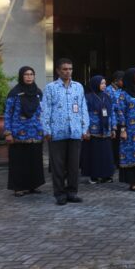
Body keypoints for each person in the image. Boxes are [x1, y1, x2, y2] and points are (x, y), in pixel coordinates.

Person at [43, 58, 89, 205]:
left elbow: (83, 109)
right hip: (57, 132)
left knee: (74, 166)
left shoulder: (78, 87)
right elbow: (45, 110)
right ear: (58, 71)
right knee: (58, 166)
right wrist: (47, 129)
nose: (68, 71)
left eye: (70, 69)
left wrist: (84, 128)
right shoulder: (50, 88)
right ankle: (60, 194)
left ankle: (72, 192)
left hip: (75, 131)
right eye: (64, 69)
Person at [4, 66, 45, 197]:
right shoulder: (14, 93)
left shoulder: (38, 92)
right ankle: (18, 187)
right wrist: (8, 132)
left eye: (31, 74)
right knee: (19, 162)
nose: (29, 77)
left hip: (35, 132)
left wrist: (44, 129)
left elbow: (42, 112)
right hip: (18, 133)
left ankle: (33, 185)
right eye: (26, 74)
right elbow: (8, 113)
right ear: (21, 76)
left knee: (34, 160)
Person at [80, 76, 116, 184]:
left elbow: (112, 113)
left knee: (106, 154)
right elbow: (84, 114)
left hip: (106, 130)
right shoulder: (88, 97)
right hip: (94, 130)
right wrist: (86, 129)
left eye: (105, 83)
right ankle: (94, 176)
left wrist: (113, 127)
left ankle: (106, 175)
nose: (104, 86)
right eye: (101, 83)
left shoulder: (108, 97)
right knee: (94, 154)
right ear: (95, 84)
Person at [105, 70, 125, 167]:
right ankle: (113, 162)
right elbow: (110, 106)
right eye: (122, 80)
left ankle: (119, 161)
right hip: (113, 121)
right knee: (114, 143)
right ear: (116, 80)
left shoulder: (121, 90)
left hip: (121, 120)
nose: (123, 82)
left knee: (120, 142)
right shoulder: (108, 90)